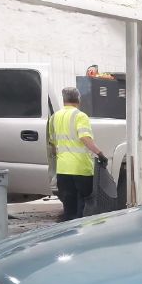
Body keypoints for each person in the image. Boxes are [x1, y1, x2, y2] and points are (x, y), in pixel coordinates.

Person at [49, 87, 107, 220]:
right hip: (81, 169)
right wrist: (100, 153)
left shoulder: (54, 117)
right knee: (83, 205)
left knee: (69, 207)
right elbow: (85, 137)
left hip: (63, 170)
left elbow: (52, 143)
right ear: (78, 99)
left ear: (63, 100)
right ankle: (82, 234)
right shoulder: (80, 116)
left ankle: (69, 235)